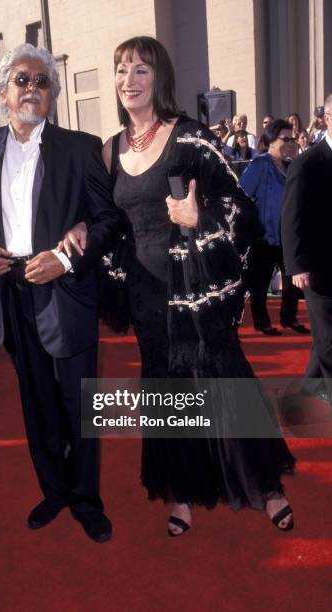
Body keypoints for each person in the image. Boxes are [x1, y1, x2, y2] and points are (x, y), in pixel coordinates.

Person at [89, 36, 295, 535]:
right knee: (168, 391)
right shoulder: (109, 151)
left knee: (223, 380)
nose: (129, 80)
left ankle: (266, 486)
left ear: (159, 78)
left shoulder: (189, 136)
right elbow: (109, 222)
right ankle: (181, 492)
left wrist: (198, 214)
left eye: (140, 70)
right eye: (121, 70)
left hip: (194, 289)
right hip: (145, 296)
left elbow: (240, 206)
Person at [0, 43, 123, 543]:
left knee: (79, 405)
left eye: (42, 81)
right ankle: (54, 490)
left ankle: (86, 499)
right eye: (23, 80)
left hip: (66, 290)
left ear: (53, 93)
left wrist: (67, 258)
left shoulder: (80, 146)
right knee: (36, 403)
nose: (33, 88)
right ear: (4, 92)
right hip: (10, 294)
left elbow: (108, 220)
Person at [282, 93, 332, 404]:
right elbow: (291, 218)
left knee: (322, 339)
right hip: (317, 267)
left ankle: (308, 392)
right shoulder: (307, 162)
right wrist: (295, 266)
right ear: (328, 118)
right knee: (329, 341)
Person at [239, 119, 309, 336]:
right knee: (260, 283)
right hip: (263, 235)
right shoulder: (260, 164)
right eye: (285, 139)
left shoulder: (291, 166)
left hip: (288, 236)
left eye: (293, 139)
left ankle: (289, 318)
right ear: (270, 140)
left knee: (292, 282)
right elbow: (241, 194)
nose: (290, 143)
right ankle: (262, 322)